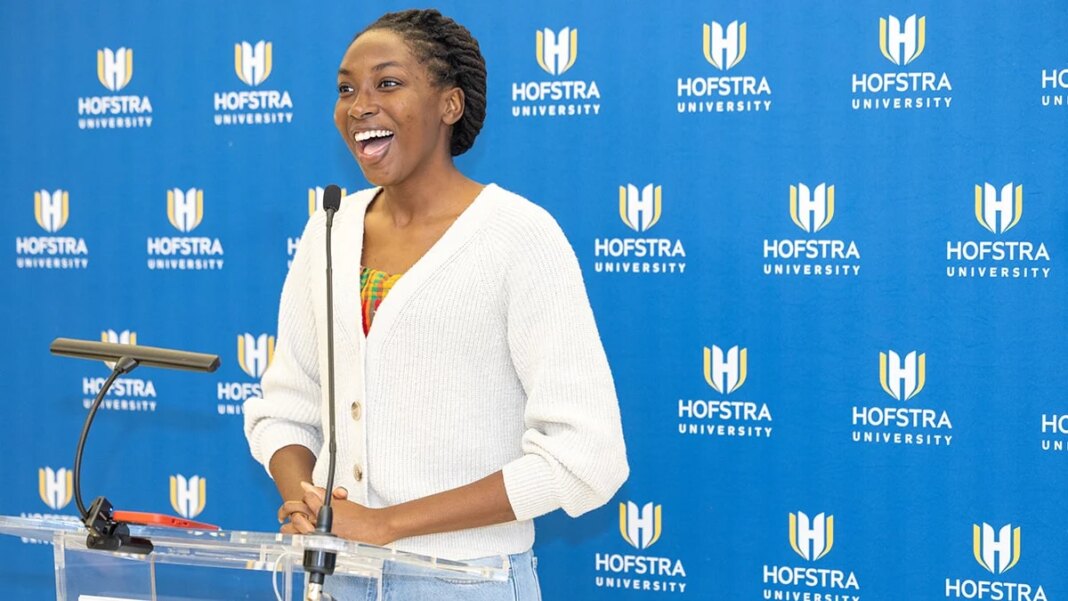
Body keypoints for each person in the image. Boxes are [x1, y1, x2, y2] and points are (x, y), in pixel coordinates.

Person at [243, 9, 628, 600]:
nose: (360, 106)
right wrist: (309, 503)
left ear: (450, 105)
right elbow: (286, 409)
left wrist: (386, 525)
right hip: (339, 575)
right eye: (346, 89)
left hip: (464, 581)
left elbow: (585, 456)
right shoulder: (328, 229)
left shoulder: (518, 235)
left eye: (387, 83)